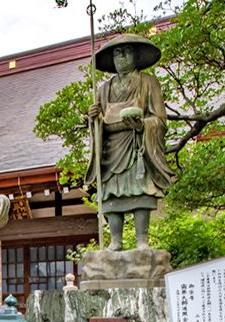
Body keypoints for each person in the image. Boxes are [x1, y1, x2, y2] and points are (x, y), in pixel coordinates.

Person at [86, 34, 175, 251]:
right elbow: (100, 121)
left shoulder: (148, 82)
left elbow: (159, 119)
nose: (122, 57)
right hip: (111, 147)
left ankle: (141, 240)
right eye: (117, 52)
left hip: (136, 144)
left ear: (136, 55)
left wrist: (143, 125)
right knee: (111, 193)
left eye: (127, 51)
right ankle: (115, 240)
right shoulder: (104, 89)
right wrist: (94, 119)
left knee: (139, 190)